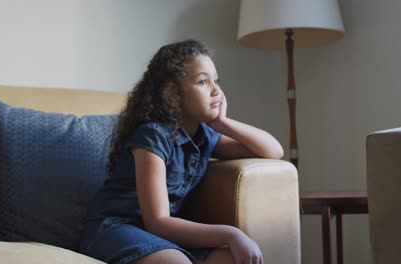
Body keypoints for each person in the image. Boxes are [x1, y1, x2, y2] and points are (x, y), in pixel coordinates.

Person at [79, 39, 284, 264]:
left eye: (216, 80)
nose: (216, 90)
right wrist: (231, 234)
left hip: (161, 236)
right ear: (173, 93)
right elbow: (157, 221)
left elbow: (273, 151)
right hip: (115, 230)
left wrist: (223, 124)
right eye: (203, 82)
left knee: (236, 259)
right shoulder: (152, 135)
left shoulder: (205, 136)